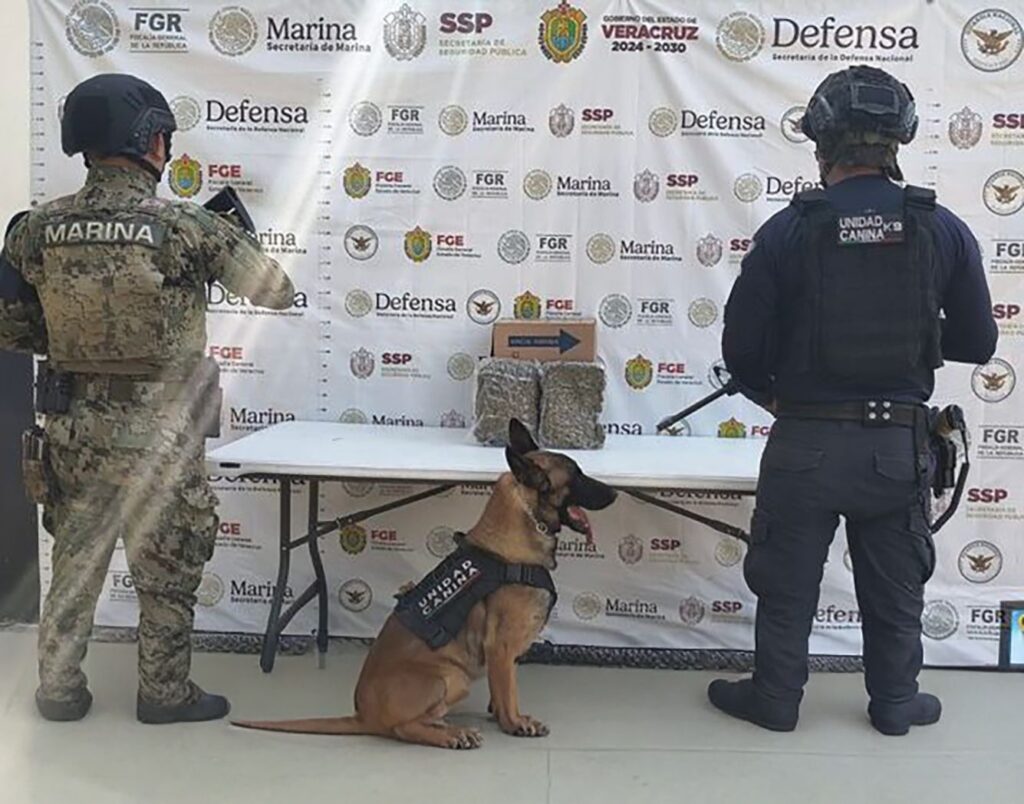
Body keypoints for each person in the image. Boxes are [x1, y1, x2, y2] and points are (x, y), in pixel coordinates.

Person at [711, 66, 997, 735]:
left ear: (821, 145)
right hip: (895, 448)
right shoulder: (942, 228)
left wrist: (779, 396)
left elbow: (741, 352)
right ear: (897, 143)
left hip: (804, 444)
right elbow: (979, 341)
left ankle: (775, 699)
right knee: (895, 587)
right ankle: (896, 704)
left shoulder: (788, 229)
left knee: (786, 587)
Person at [0, 73, 295, 723]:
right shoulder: (187, 225)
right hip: (161, 434)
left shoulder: (33, 230)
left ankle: (59, 692)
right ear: (148, 140)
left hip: (73, 430)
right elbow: (277, 290)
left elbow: (12, 331)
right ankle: (164, 695)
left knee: (74, 567)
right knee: (167, 572)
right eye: (163, 136)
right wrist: (231, 237)